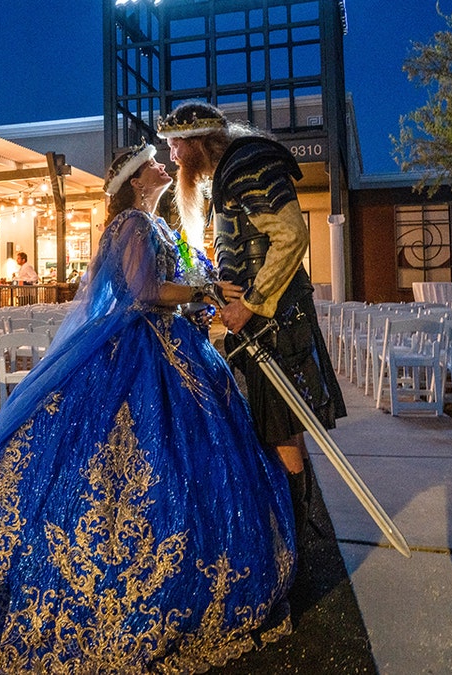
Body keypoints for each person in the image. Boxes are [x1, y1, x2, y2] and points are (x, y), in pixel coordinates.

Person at [0, 142, 295, 671]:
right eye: (152, 164)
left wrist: (198, 289)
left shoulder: (152, 224)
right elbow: (143, 290)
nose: (162, 167)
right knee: (125, 453)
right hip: (141, 347)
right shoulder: (133, 224)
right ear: (134, 179)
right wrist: (203, 289)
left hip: (164, 345)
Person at [158, 101, 346, 544]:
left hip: (276, 321)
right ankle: (294, 530)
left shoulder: (246, 164)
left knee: (280, 428)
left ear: (199, 142)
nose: (172, 157)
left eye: (176, 145)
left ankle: (293, 537)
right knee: (280, 425)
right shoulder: (228, 172)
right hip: (266, 322)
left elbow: (291, 236)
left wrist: (252, 304)